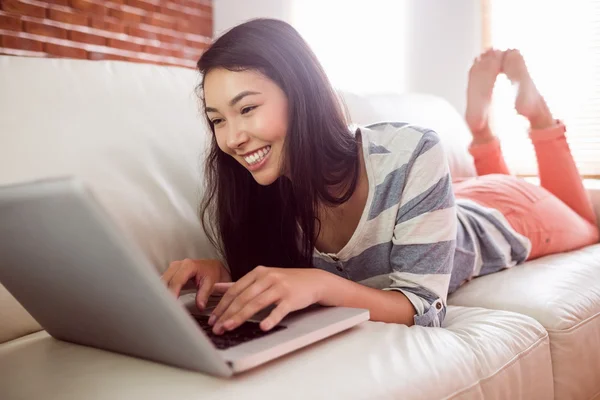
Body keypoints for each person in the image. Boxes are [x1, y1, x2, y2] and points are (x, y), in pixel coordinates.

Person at [161, 19, 599, 334]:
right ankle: (482, 132)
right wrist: (225, 275)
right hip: (434, 204)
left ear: (300, 93)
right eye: (217, 119)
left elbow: (426, 309)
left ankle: (527, 117)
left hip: (503, 214)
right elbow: (279, 280)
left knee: (588, 224)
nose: (232, 138)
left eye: (247, 108)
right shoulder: (257, 190)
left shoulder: (412, 151)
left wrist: (321, 284)